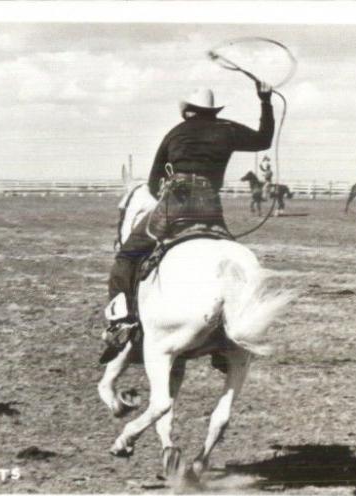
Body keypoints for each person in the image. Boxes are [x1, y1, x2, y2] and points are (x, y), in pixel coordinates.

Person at [102, 81, 275, 350]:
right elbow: (264, 139)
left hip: (175, 204)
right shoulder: (227, 130)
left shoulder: (175, 133)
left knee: (127, 255)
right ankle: (225, 338)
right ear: (213, 111)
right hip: (210, 207)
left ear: (188, 110)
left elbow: (152, 183)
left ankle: (121, 321)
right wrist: (265, 101)